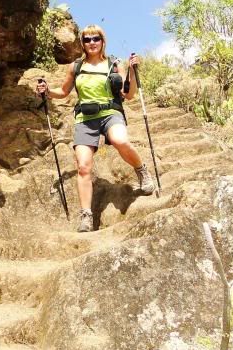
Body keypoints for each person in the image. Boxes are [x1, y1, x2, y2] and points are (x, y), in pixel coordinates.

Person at [36, 24, 156, 232]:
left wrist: (134, 72)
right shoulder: (76, 67)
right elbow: (63, 92)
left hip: (110, 112)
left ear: (102, 41)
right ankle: (86, 216)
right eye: (87, 39)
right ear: (82, 43)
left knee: (120, 141)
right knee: (83, 166)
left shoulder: (114, 65)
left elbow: (129, 95)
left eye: (96, 38)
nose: (91, 43)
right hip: (85, 117)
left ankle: (141, 170)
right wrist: (47, 92)